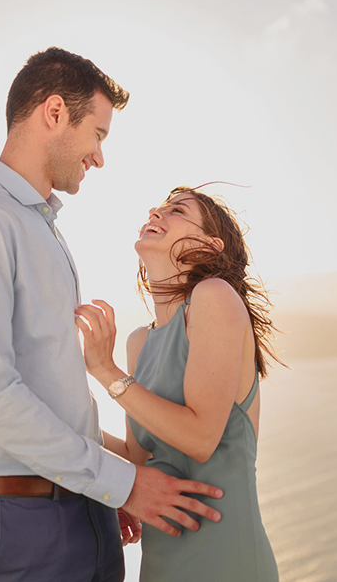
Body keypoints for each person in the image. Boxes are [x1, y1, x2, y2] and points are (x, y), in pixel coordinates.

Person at [0, 48, 223, 582]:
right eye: (99, 134)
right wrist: (123, 483)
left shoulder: (41, 228)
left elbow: (51, 390)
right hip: (15, 531)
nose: (100, 157)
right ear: (54, 113)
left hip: (82, 512)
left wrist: (107, 487)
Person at [76, 186, 281, 581]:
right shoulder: (141, 341)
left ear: (208, 246)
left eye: (177, 210)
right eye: (160, 207)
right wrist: (68, 415)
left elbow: (201, 438)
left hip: (227, 560)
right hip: (162, 563)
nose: (157, 211)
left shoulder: (215, 296)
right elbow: (141, 458)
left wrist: (107, 371)